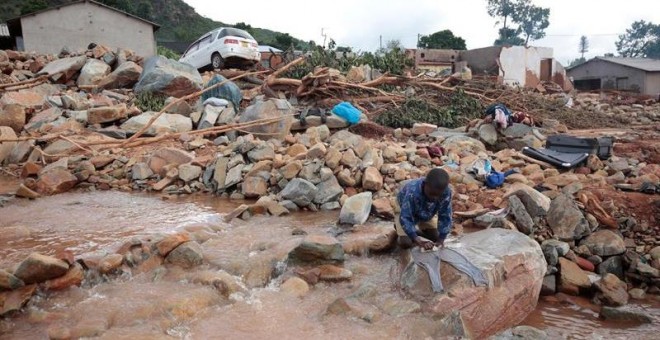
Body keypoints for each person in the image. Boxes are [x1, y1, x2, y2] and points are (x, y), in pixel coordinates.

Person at [395, 168, 453, 250]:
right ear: (425, 184)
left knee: (435, 237)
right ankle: (400, 230)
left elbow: (445, 215)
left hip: (427, 211)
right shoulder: (413, 192)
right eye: (432, 194)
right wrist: (418, 240)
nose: (434, 198)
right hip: (404, 208)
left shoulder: (446, 192)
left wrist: (441, 240)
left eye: (438, 195)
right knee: (406, 243)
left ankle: (413, 231)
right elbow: (405, 217)